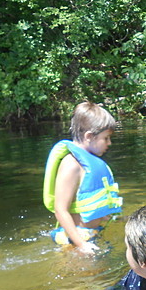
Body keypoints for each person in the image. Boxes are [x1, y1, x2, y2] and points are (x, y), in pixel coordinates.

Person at [42, 101, 123, 254]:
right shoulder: (71, 165)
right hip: (76, 240)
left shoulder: (89, 162)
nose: (109, 143)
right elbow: (60, 210)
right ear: (89, 136)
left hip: (91, 235)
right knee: (86, 277)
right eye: (106, 138)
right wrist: (81, 244)